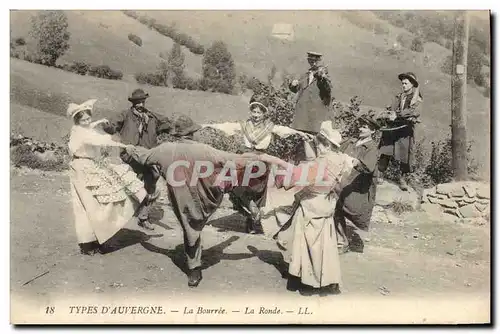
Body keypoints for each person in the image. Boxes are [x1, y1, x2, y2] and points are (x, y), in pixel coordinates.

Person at [124, 133, 275, 288]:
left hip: (182, 196)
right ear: (191, 134)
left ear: (176, 134)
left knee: (190, 228)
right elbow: (231, 158)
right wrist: (260, 158)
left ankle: (194, 269)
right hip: (205, 193)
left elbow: (143, 156)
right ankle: (195, 267)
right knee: (227, 183)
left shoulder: (165, 149)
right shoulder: (204, 149)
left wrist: (128, 148)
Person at [264, 121, 355, 296]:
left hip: (312, 206)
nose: (317, 148)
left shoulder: (322, 163)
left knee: (308, 245)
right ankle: (326, 278)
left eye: (319, 144)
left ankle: (309, 281)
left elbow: (299, 176)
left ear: (327, 145)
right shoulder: (342, 160)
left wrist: (276, 161)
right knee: (325, 245)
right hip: (326, 205)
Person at [201, 94, 313, 234]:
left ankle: (252, 218)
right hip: (244, 157)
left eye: (259, 112)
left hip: (260, 161)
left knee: (252, 190)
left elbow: (285, 131)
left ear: (264, 113)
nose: (255, 115)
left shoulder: (270, 127)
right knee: (235, 183)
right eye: (253, 112)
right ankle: (251, 213)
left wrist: (300, 134)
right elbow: (228, 126)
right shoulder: (244, 125)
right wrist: (208, 125)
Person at [67, 99, 147, 255]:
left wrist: (97, 122)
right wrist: (124, 146)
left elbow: (88, 128)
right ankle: (90, 243)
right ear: (77, 121)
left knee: (92, 205)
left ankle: (96, 239)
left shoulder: (79, 128)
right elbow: (100, 139)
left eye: (88, 118)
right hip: (83, 169)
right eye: (83, 119)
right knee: (90, 206)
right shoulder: (82, 133)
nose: (87, 121)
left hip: (85, 166)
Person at [102, 89, 172, 230]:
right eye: (137, 102)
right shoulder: (125, 115)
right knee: (131, 185)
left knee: (151, 182)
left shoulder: (151, 118)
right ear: (132, 103)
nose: (140, 104)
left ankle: (143, 217)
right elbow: (112, 127)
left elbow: (167, 124)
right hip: (131, 156)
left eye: (142, 101)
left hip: (148, 155)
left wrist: (152, 114)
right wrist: (107, 126)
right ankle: (119, 216)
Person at [334, 112, 381, 254]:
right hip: (345, 183)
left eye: (365, 127)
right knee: (333, 205)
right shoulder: (351, 142)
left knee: (337, 206)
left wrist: (354, 162)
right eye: (360, 126)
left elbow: (368, 167)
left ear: (372, 130)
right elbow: (335, 148)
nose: (361, 129)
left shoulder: (371, 148)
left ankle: (342, 242)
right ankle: (338, 240)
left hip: (357, 188)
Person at [378, 72, 422, 191]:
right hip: (394, 127)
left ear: (412, 84)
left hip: (405, 129)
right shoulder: (399, 96)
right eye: (402, 83)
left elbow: (414, 111)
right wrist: (387, 113)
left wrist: (397, 114)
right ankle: (380, 174)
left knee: (405, 153)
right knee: (386, 148)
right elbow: (391, 108)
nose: (403, 85)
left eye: (406, 83)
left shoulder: (416, 98)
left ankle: (402, 179)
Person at [289, 51, 333, 162]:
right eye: (310, 60)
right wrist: (292, 85)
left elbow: (328, 89)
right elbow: (297, 88)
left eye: (315, 61)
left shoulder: (324, 75)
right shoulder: (306, 74)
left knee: (317, 144)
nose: (313, 63)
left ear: (320, 61)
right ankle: (307, 165)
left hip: (315, 118)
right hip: (303, 116)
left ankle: (315, 166)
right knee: (304, 142)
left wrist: (322, 77)